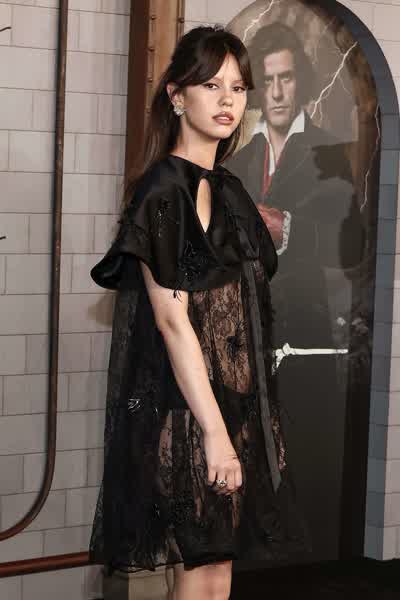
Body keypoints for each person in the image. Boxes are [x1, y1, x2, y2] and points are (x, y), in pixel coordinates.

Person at [88, 25, 311, 600]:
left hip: (233, 412)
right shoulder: (164, 191)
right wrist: (214, 432)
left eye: (237, 87)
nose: (227, 100)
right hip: (188, 415)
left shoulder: (229, 190)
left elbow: (243, 317)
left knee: (217, 578)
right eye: (211, 85)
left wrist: (253, 424)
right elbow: (172, 322)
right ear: (177, 95)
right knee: (199, 579)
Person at [224, 22, 365, 558]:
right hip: (246, 329)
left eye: (286, 78)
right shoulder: (240, 158)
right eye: (269, 80)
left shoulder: (330, 149)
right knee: (250, 459)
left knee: (307, 455)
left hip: (306, 331)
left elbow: (354, 242)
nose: (278, 91)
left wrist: (292, 231)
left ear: (300, 82)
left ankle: (309, 565)